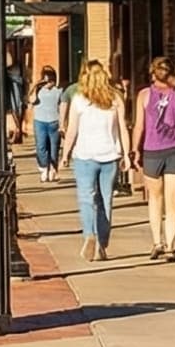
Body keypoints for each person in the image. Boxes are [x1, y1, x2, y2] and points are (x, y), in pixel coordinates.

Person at [60, 59, 128, 262]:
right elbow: (123, 129)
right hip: (110, 155)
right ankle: (102, 243)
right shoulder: (115, 98)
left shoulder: (79, 99)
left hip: (84, 156)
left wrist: (65, 154)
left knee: (86, 198)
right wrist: (127, 154)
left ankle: (90, 234)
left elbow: (72, 130)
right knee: (105, 199)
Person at [131, 56, 175, 261]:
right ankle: (170, 247)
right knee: (172, 200)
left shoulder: (144, 95)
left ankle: (157, 242)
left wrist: (135, 149)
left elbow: (139, 125)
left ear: (152, 74)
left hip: (152, 150)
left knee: (155, 199)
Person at [31, 68, 66, 182]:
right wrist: (36, 85)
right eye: (46, 81)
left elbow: (62, 106)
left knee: (54, 147)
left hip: (54, 121)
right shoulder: (38, 90)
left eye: (51, 80)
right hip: (40, 121)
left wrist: (62, 123)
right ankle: (44, 167)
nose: (49, 83)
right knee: (41, 147)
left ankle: (53, 170)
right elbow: (31, 100)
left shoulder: (58, 91)